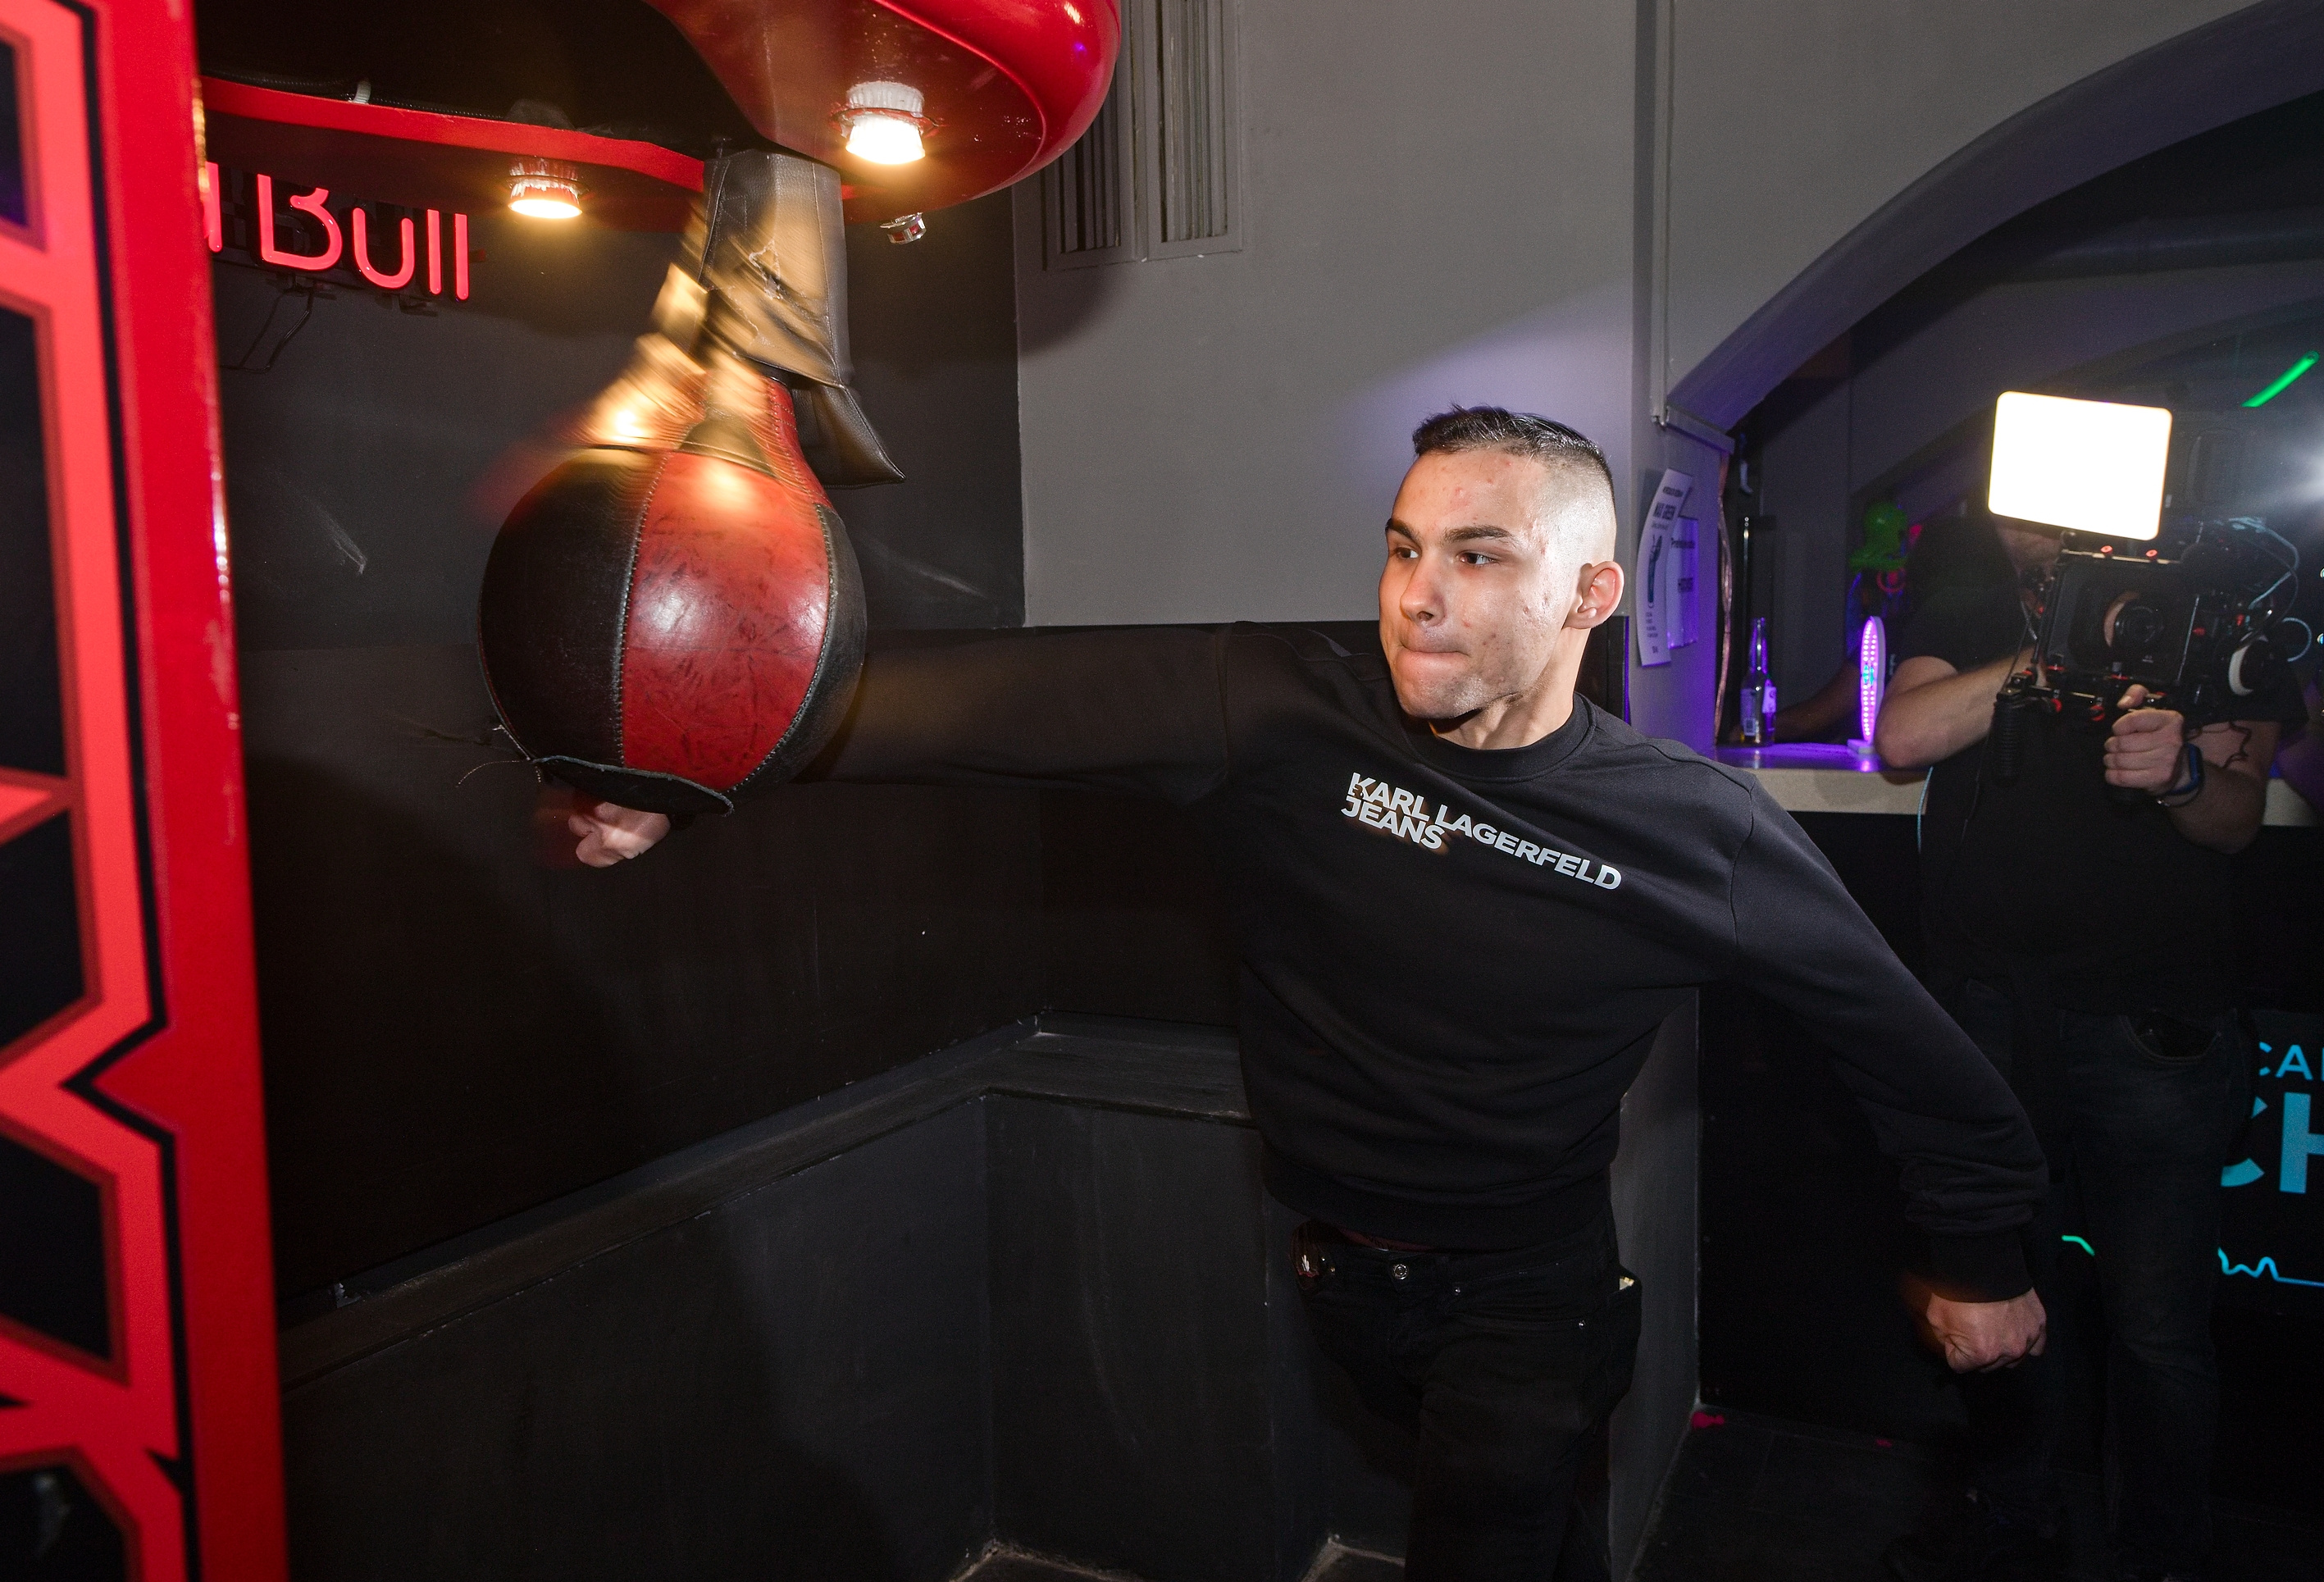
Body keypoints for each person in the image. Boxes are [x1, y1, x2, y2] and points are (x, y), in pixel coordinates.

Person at [572, 408, 2048, 1581]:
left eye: (1477, 556)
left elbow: (1903, 1049)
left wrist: (1980, 1259)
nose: (1416, 597)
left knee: (1487, 1532)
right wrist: (692, 758)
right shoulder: (1285, 707)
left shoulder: (1691, 828)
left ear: (1589, 594)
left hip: (1526, 1297)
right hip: (1342, 1278)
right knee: (1539, 1539)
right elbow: (987, 709)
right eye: (1403, 548)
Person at [1874, 514, 2280, 1582]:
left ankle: (2162, 1550)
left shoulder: (2205, 614)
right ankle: (2015, 1518)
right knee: (2005, 1291)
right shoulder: (1973, 609)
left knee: (2157, 1322)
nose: (2041, 523)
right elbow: (1900, 738)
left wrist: (2181, 776)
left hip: (2153, 1029)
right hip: (1993, 1021)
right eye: (2022, 504)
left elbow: (2237, 818)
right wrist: (2042, 656)